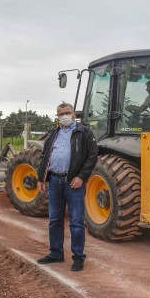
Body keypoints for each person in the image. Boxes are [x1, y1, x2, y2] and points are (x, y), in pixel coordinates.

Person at [36, 103, 98, 272]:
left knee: (76, 222)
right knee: (55, 219)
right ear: (57, 116)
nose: (64, 116)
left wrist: (81, 177)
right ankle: (56, 253)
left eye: (67, 113)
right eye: (61, 113)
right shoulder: (53, 134)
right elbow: (45, 155)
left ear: (74, 114)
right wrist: (41, 178)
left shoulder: (84, 132)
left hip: (74, 183)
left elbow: (92, 156)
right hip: (55, 181)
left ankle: (78, 257)